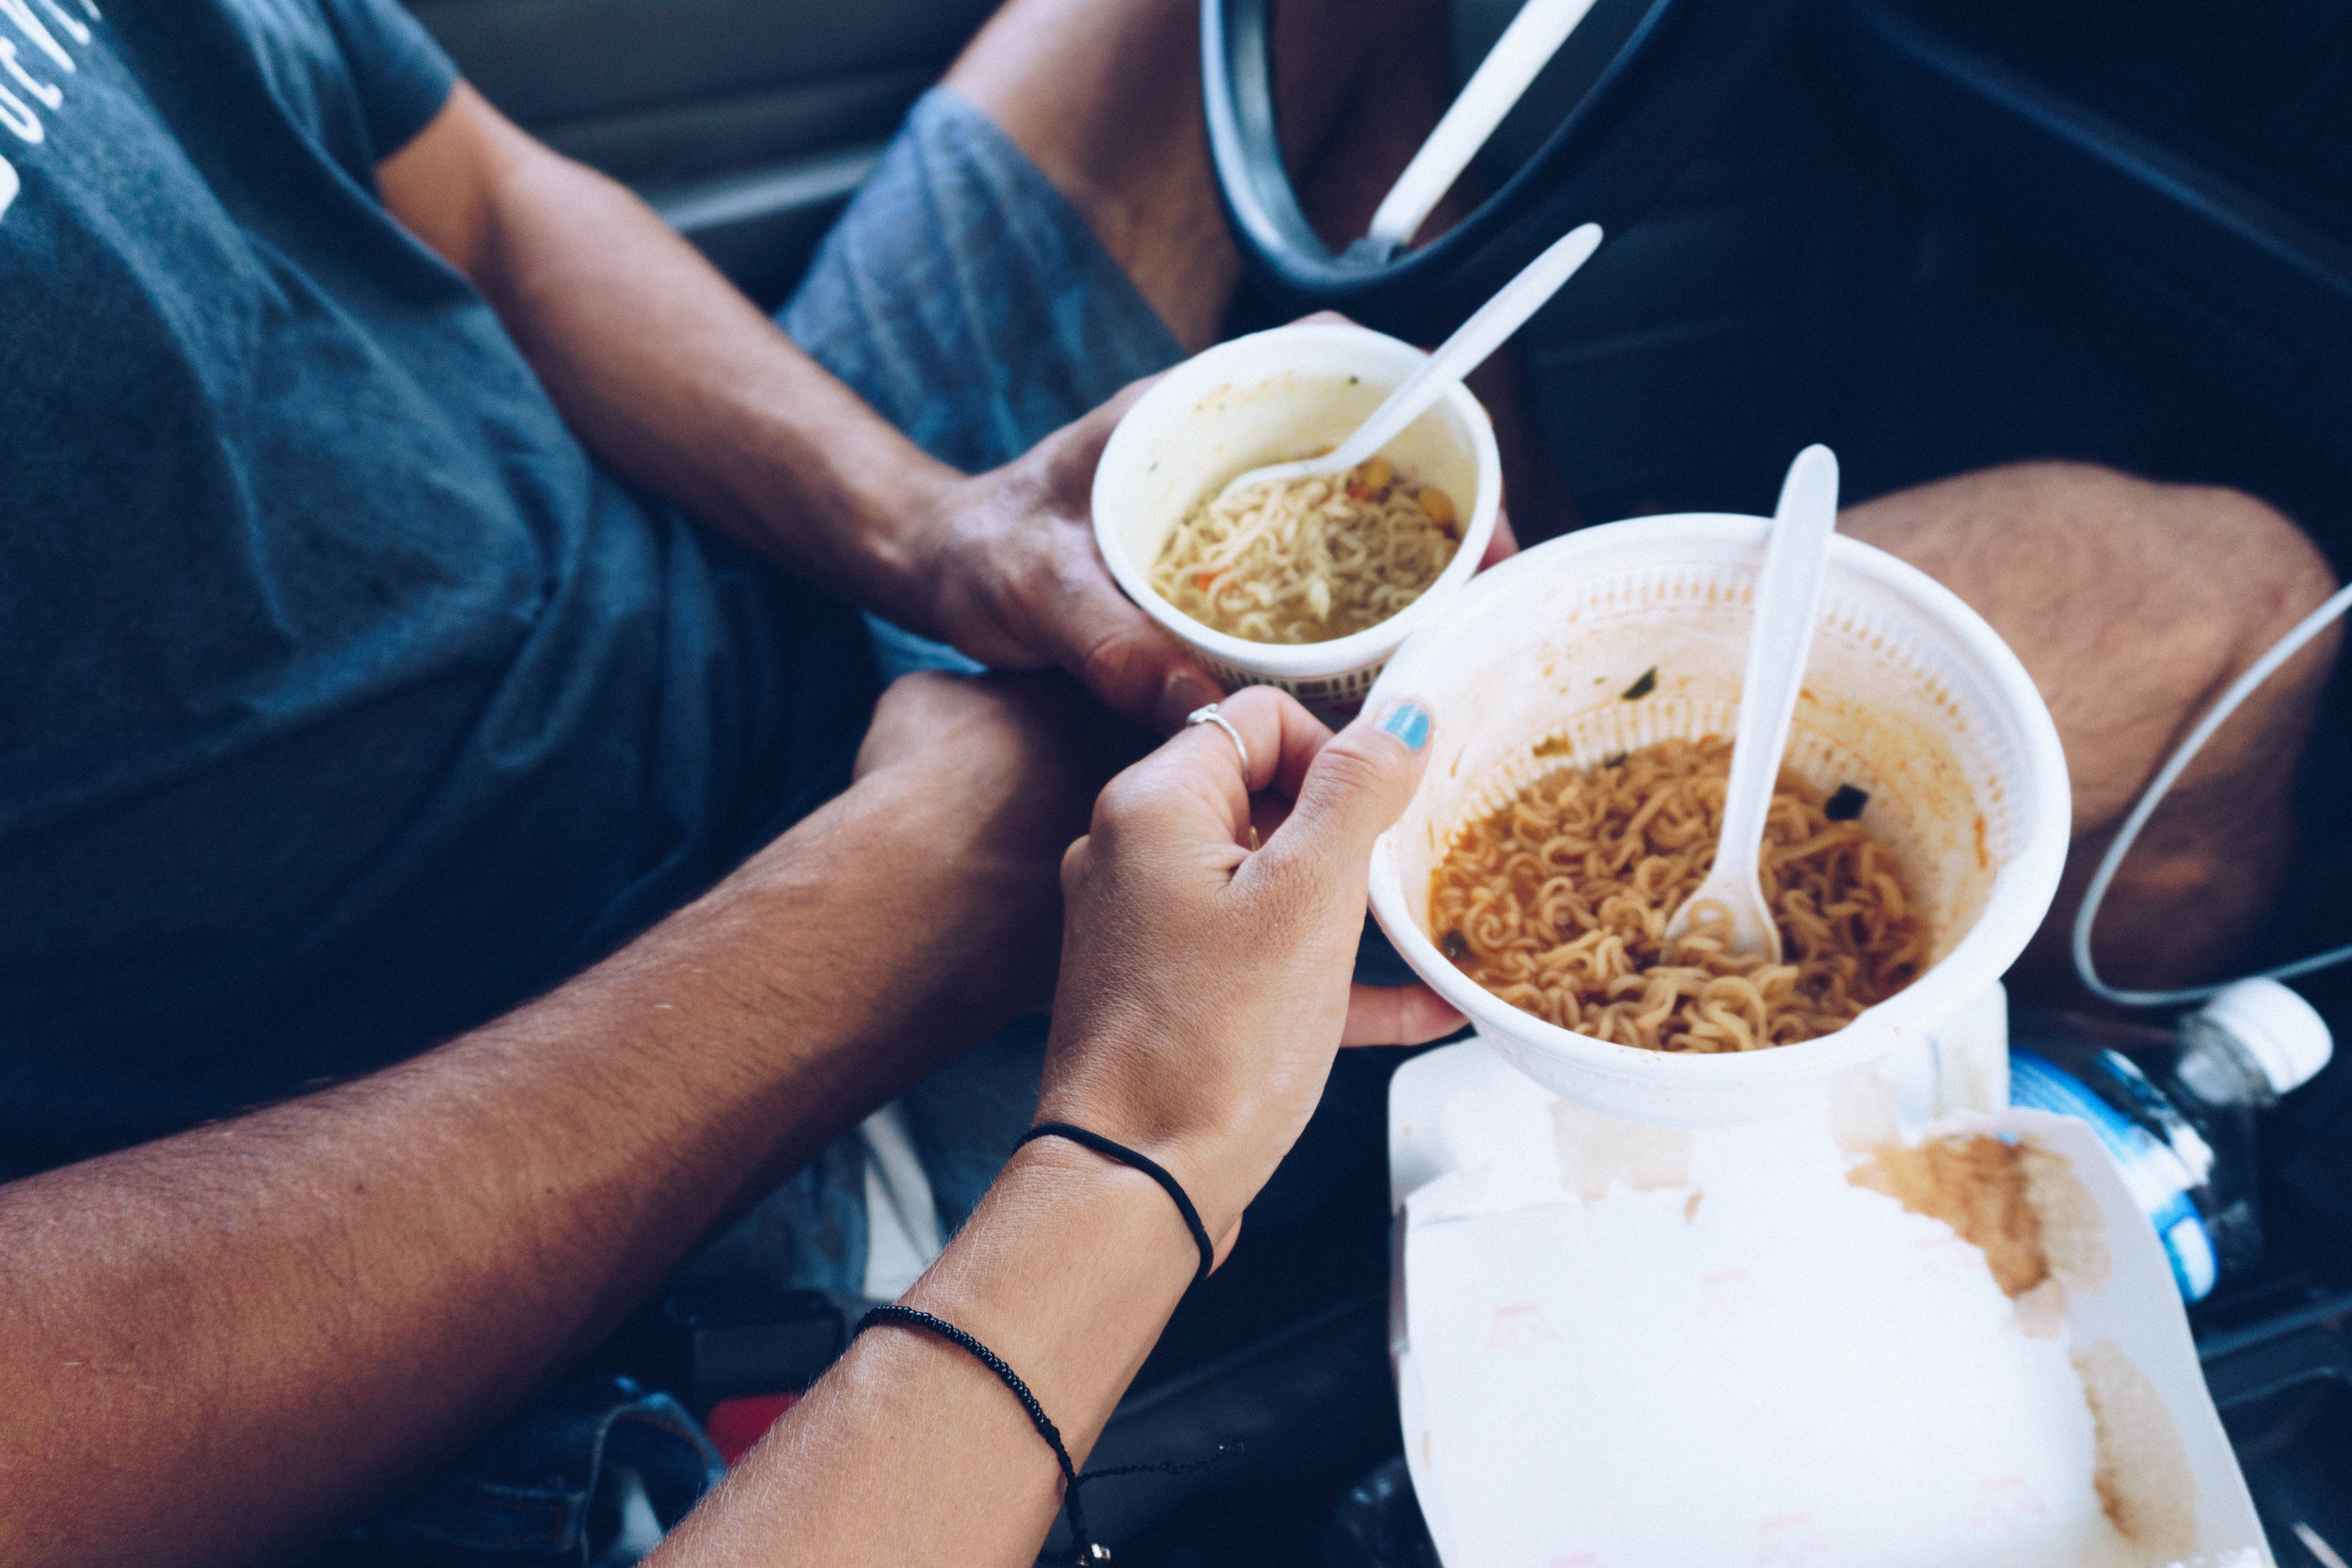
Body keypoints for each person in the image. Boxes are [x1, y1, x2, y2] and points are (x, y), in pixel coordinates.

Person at [1, 0, 2340, 1561]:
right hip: (501, 1156)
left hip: (733, 626)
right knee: (2215, 596)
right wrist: (915, 910)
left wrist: (934, 527)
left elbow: (485, 201)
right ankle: (2113, 1163)